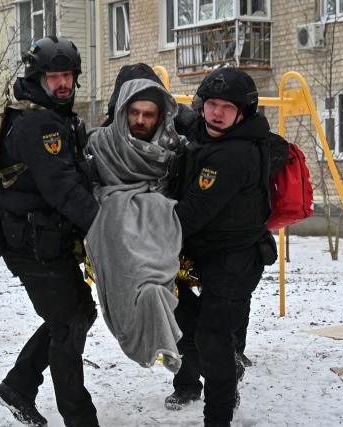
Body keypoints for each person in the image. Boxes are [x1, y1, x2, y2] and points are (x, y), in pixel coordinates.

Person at [0, 36, 100, 427]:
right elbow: (62, 188)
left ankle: (18, 386)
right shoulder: (39, 123)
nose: (63, 83)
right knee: (69, 324)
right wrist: (103, 227)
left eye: (68, 75)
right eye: (54, 76)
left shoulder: (55, 116)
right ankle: (80, 419)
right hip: (30, 241)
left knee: (78, 313)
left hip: (46, 238)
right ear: (38, 78)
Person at [166, 68, 276, 427]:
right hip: (205, 253)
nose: (216, 112)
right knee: (186, 322)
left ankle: (218, 417)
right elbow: (184, 122)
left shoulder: (235, 154)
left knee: (212, 338)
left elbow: (191, 214)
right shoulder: (207, 133)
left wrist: (138, 232)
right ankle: (225, 368)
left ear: (243, 111)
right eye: (211, 103)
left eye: (227, 106)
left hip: (236, 258)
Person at [84, 78, 186, 373]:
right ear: (123, 111)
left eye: (148, 114)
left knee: (156, 284)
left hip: (157, 228)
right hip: (114, 227)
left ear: (160, 116)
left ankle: (158, 313)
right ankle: (140, 320)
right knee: (128, 279)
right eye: (134, 112)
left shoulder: (171, 149)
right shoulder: (101, 143)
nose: (140, 120)